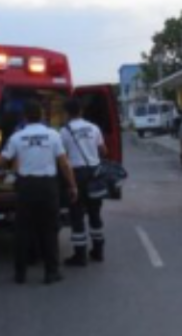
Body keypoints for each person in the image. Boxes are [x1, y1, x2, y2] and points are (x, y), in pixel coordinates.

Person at [0, 100, 78, 285]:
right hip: (47, 187)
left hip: (26, 187)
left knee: (22, 232)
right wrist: (72, 186)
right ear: (42, 116)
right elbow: (64, 163)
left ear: (24, 117)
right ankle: (51, 273)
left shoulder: (17, 137)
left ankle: (20, 274)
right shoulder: (53, 135)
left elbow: (0, 162)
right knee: (49, 230)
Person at [59, 98, 108, 266]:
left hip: (76, 175)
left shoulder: (64, 131)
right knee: (95, 214)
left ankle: (80, 256)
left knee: (77, 215)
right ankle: (98, 251)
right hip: (94, 173)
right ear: (81, 111)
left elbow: (61, 157)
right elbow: (104, 150)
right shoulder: (94, 128)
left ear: (66, 113)